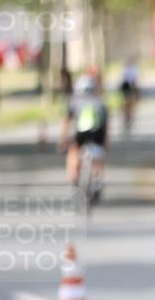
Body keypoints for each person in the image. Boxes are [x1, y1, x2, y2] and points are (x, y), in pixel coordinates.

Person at [60, 72, 108, 202]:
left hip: (80, 133)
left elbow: (67, 121)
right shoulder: (100, 102)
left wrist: (63, 140)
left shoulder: (74, 101)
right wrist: (105, 144)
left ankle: (73, 182)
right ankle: (97, 180)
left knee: (73, 152)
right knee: (98, 156)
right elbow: (105, 126)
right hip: (97, 133)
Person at [119, 57, 140, 134]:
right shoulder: (129, 69)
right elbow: (133, 80)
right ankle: (127, 117)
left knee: (129, 103)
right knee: (128, 103)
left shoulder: (130, 69)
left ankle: (128, 117)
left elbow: (134, 80)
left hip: (128, 86)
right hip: (127, 86)